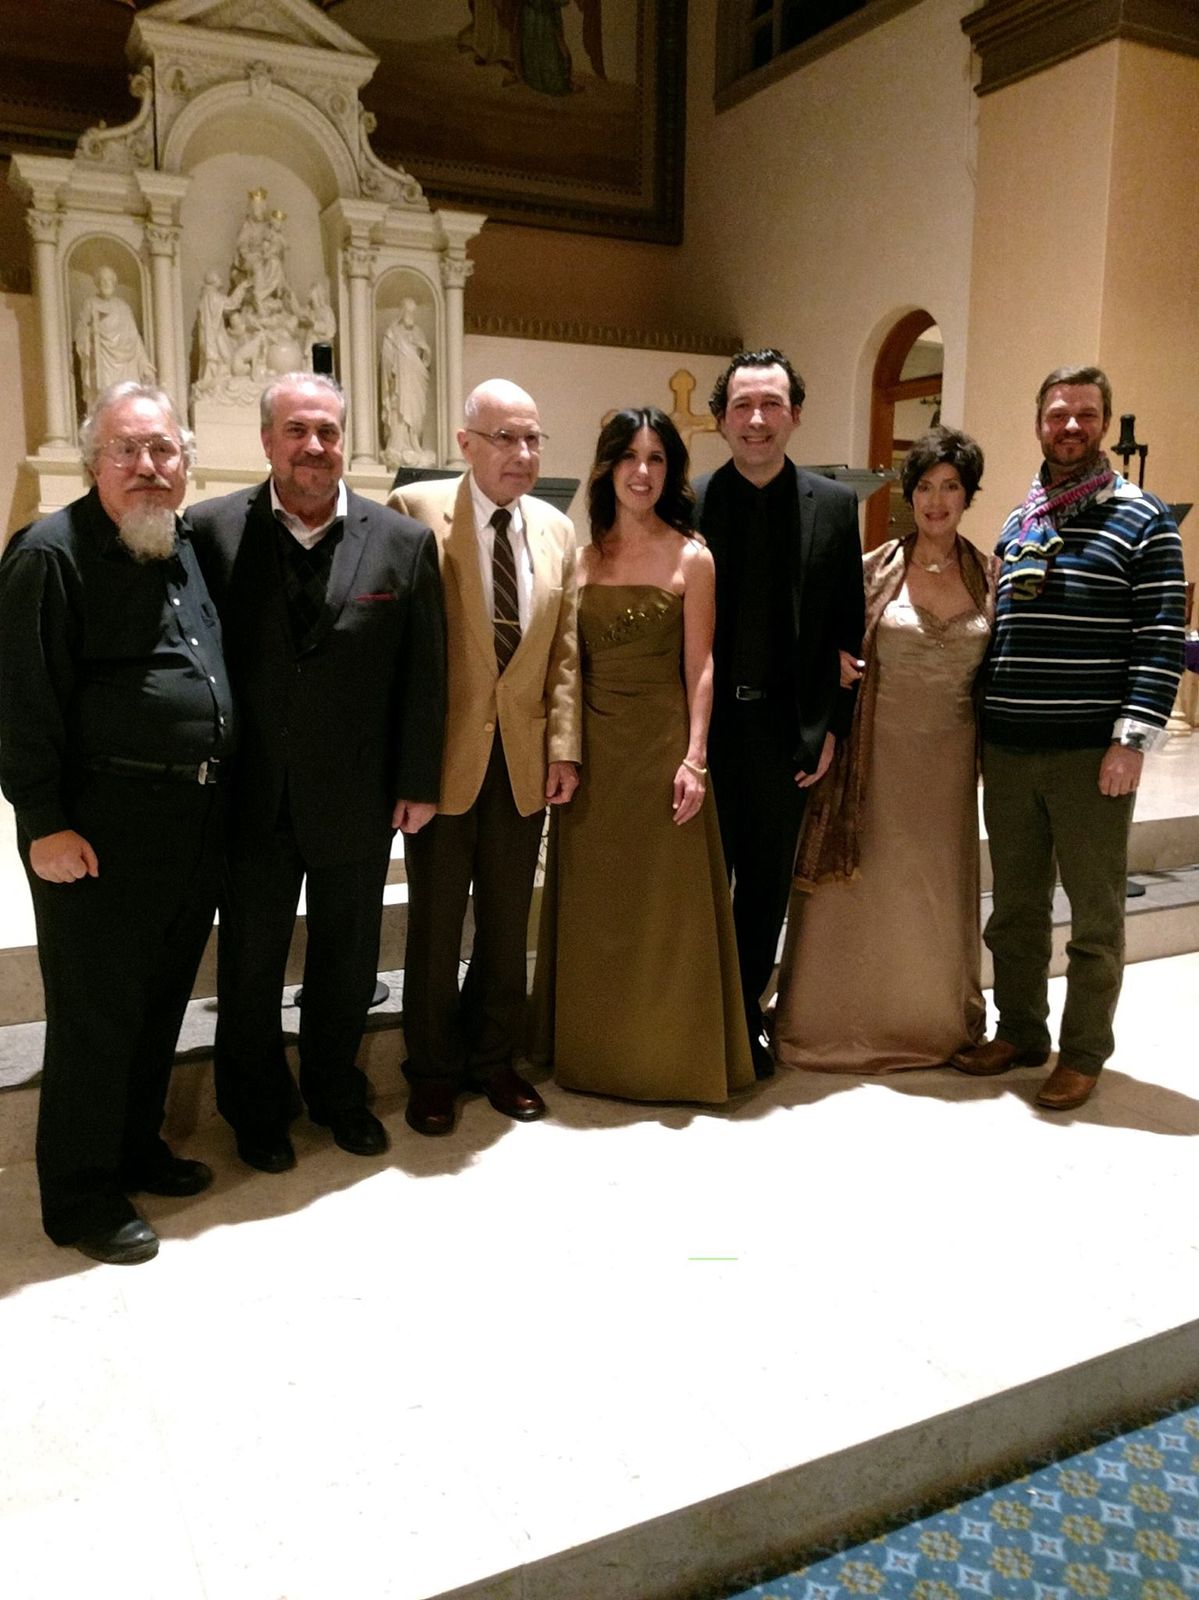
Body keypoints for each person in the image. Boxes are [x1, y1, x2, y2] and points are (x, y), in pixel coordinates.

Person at [0, 382, 233, 1265]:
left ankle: (135, 1149)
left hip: (188, 824)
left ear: (185, 462)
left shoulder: (178, 546)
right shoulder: (48, 555)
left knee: (158, 1004)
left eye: (163, 450)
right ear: (93, 461)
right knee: (96, 1019)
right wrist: (43, 822)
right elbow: (20, 703)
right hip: (95, 833)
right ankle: (80, 1196)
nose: (147, 466)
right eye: (127, 450)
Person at [188, 373, 446, 1171]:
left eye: (328, 431)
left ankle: (337, 1093)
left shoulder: (401, 541)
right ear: (267, 440)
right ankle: (255, 1109)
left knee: (348, 960)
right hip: (251, 795)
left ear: (344, 440)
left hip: (356, 796)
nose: (314, 446)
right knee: (250, 966)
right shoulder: (209, 532)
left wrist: (417, 779)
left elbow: (424, 672)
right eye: (296, 430)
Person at [953, 366, 1185, 1110]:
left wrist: (1130, 741)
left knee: (1093, 915)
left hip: (1090, 755)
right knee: (1015, 910)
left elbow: (1160, 638)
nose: (1071, 426)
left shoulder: (1144, 519)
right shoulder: (1019, 520)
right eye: (1058, 414)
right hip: (1010, 749)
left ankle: (1082, 1052)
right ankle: (1020, 1030)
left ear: (1104, 422)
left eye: (1085, 413)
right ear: (1039, 424)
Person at [532, 408, 753, 1102]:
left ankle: (669, 1059)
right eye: (629, 456)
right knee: (599, 907)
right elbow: (564, 667)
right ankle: (595, 1054)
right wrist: (562, 752)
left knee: (666, 911)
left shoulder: (693, 557)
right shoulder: (581, 557)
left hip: (662, 753)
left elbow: (701, 666)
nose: (642, 471)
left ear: (670, 472)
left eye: (657, 458)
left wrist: (695, 759)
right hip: (594, 757)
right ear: (607, 467)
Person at [389, 379, 581, 1136]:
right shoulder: (414, 510)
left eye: (532, 438)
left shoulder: (556, 529)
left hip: (524, 758)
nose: (522, 453)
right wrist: (402, 766)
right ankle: (432, 1070)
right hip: (442, 761)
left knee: (506, 925)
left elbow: (564, 653)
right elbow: (398, 651)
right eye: (505, 437)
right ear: (466, 443)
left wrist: (563, 747)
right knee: (435, 929)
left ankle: (494, 1057)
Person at [774, 427, 994, 1072]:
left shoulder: (992, 577)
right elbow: (817, 639)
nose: (936, 501)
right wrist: (834, 666)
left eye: (950, 487)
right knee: (864, 882)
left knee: (932, 886)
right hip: (875, 753)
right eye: (924, 487)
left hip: (950, 760)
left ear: (967, 495)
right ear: (908, 495)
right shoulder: (871, 570)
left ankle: (927, 1019)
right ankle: (838, 1019)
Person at [695, 349, 865, 1079]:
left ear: (794, 414)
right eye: (742, 405)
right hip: (704, 732)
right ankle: (696, 1018)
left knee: (764, 889)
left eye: (770, 404)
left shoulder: (834, 505)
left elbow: (848, 631)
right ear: (720, 419)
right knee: (702, 882)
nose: (756, 420)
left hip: (784, 733)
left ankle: (742, 1018)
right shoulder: (690, 501)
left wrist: (830, 730)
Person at [73, 266, 155, 408]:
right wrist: (91, 333)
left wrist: (144, 364)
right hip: (103, 362)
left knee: (128, 401)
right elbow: (80, 331)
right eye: (103, 280)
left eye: (109, 280)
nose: (106, 283)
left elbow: (135, 339)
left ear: (114, 283)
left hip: (127, 364)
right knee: (107, 402)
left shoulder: (123, 307)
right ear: (97, 283)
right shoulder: (91, 304)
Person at [381, 299, 433, 468]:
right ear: (402, 312)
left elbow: (426, 358)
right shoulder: (392, 332)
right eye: (408, 311)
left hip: (415, 380)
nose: (410, 315)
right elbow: (387, 359)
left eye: (413, 312)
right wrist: (392, 372)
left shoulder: (418, 332)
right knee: (399, 411)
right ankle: (398, 445)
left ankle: (414, 442)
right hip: (400, 382)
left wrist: (423, 348)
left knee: (416, 411)